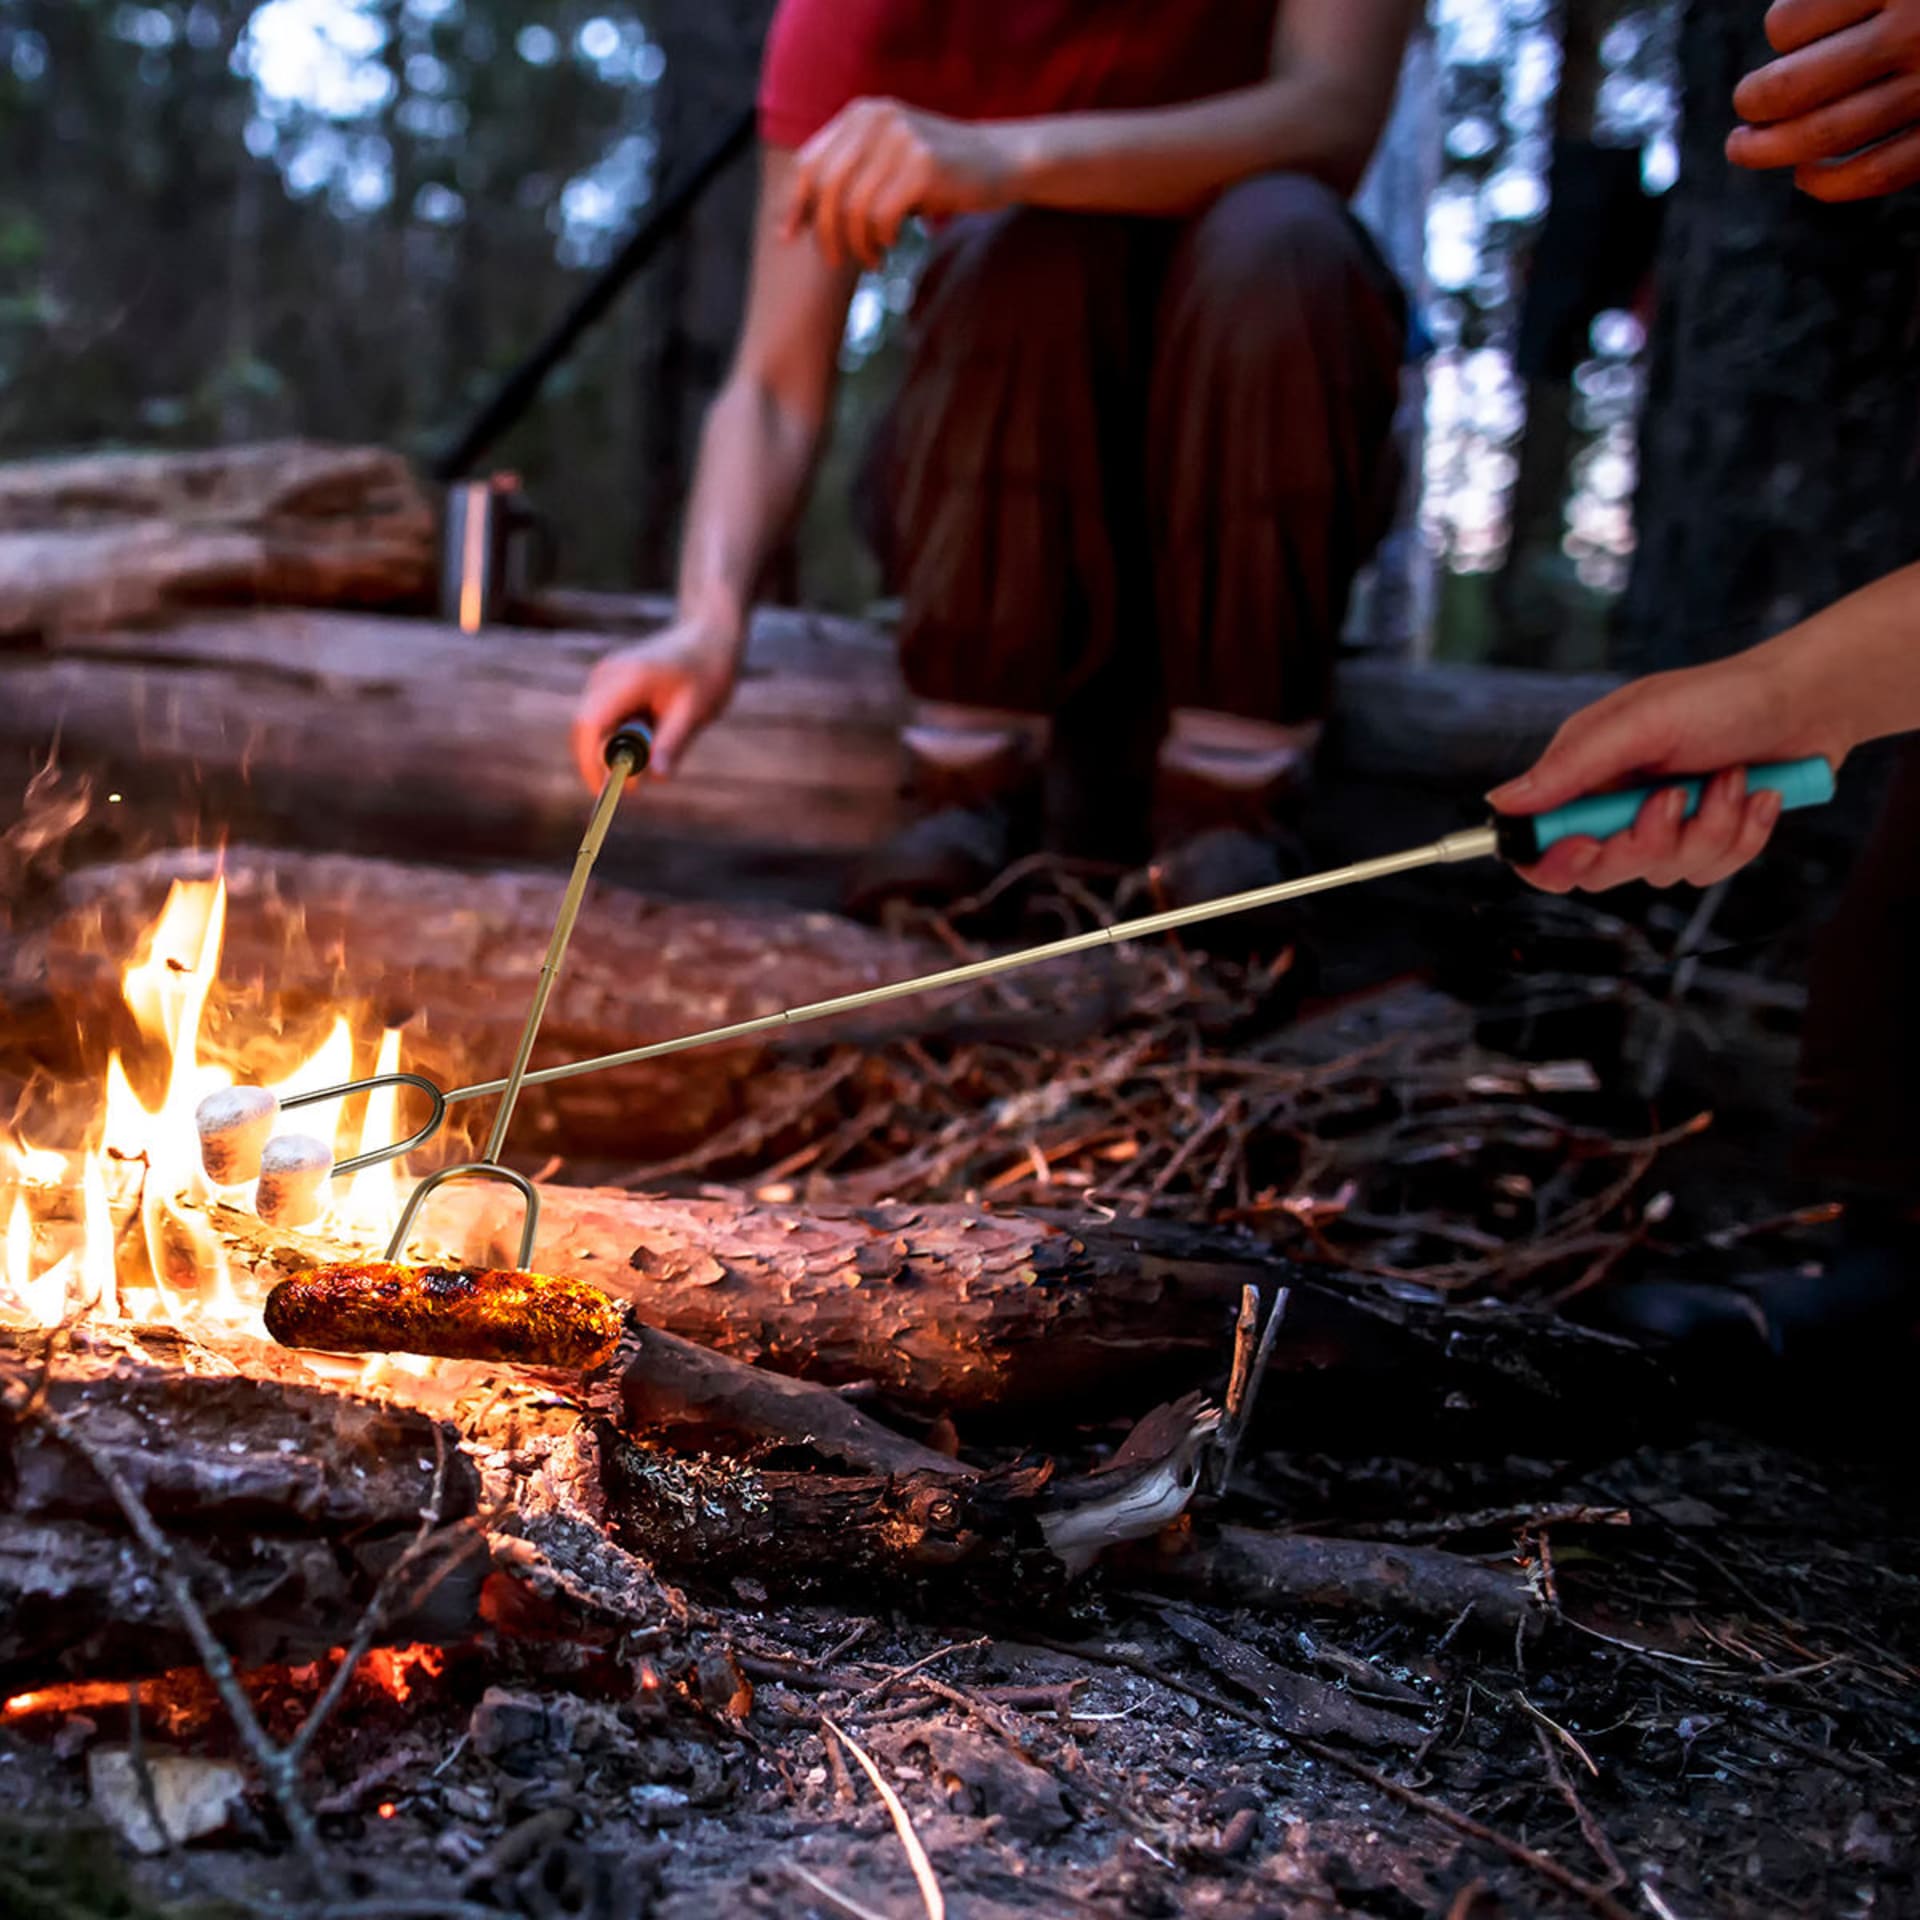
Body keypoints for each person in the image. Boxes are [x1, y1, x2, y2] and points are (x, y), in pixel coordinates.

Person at [573, 0, 1419, 919]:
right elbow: (774, 383)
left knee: (1280, 235)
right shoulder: (856, 16)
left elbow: (1333, 117)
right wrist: (708, 618)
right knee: (1019, 250)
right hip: (1004, 505)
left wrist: (1007, 157)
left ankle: (1237, 810)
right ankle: (965, 793)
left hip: (1265, 476)